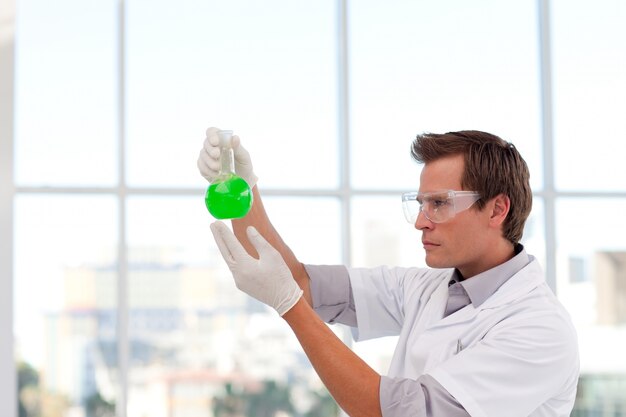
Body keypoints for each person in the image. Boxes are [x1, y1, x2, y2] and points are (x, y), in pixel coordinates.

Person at [197, 127, 580, 417]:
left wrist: (290, 307)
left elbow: (396, 411)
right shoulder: (424, 287)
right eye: (420, 204)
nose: (420, 222)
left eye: (440, 204)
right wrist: (241, 193)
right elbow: (299, 282)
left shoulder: (538, 328)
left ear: (498, 210)